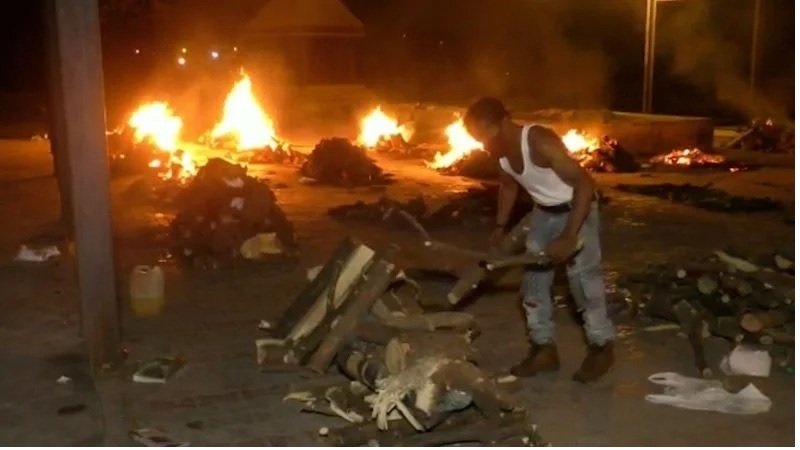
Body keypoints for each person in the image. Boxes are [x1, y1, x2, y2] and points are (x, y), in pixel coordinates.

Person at [463, 97, 615, 383]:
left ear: (503, 123)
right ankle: (544, 350)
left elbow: (585, 183)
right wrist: (500, 227)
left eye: (484, 135)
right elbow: (508, 187)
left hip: (577, 209)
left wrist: (569, 235)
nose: (482, 144)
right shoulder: (500, 152)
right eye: (477, 138)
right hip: (543, 213)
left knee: (584, 283)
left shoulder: (539, 141)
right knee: (533, 284)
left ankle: (601, 346)